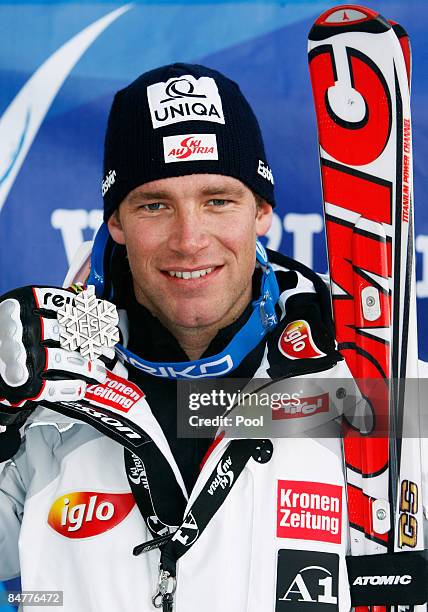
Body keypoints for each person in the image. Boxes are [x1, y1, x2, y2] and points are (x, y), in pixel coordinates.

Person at [0, 63, 422, 611]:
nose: (189, 240)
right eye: (155, 205)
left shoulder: (370, 385)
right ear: (116, 223)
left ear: (262, 211)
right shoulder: (48, 390)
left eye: (217, 199)